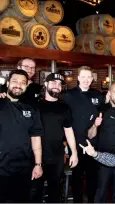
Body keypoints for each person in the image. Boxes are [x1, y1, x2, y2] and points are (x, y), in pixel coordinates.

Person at [0, 69, 43, 202]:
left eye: (22, 83)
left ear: (26, 86)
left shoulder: (32, 109)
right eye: (14, 81)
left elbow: (36, 137)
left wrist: (38, 164)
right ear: (7, 84)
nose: (18, 85)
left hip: (24, 170)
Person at [30, 73, 79, 203]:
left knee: (55, 192)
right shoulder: (35, 105)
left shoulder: (64, 107)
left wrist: (74, 153)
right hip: (34, 157)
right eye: (53, 83)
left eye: (59, 84)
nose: (57, 86)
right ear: (45, 84)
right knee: (34, 192)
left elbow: (69, 131)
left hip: (56, 156)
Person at [62, 66, 105, 203]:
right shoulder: (68, 96)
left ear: (92, 79)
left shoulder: (98, 95)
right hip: (76, 144)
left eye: (89, 77)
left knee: (93, 178)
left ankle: (91, 201)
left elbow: (102, 116)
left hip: (93, 144)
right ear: (78, 78)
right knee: (77, 178)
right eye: (84, 76)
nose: (86, 80)